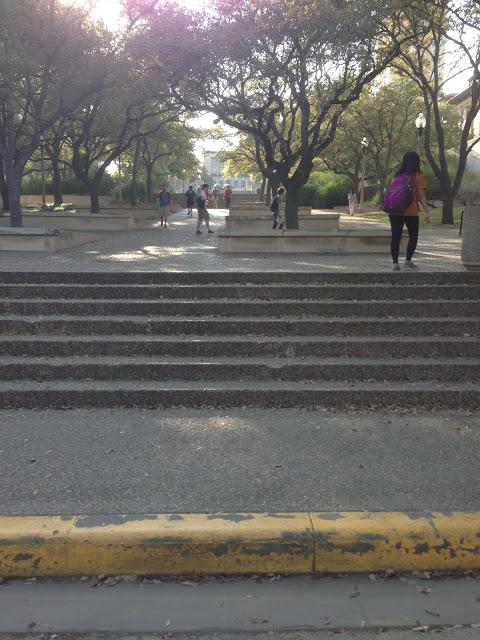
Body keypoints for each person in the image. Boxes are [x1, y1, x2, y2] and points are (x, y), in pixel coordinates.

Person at [388, 151, 430, 271]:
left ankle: (395, 263)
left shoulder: (397, 175)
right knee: (413, 236)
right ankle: (408, 261)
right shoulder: (418, 175)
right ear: (417, 161)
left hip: (395, 210)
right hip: (410, 211)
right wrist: (426, 210)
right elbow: (421, 195)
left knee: (395, 237)